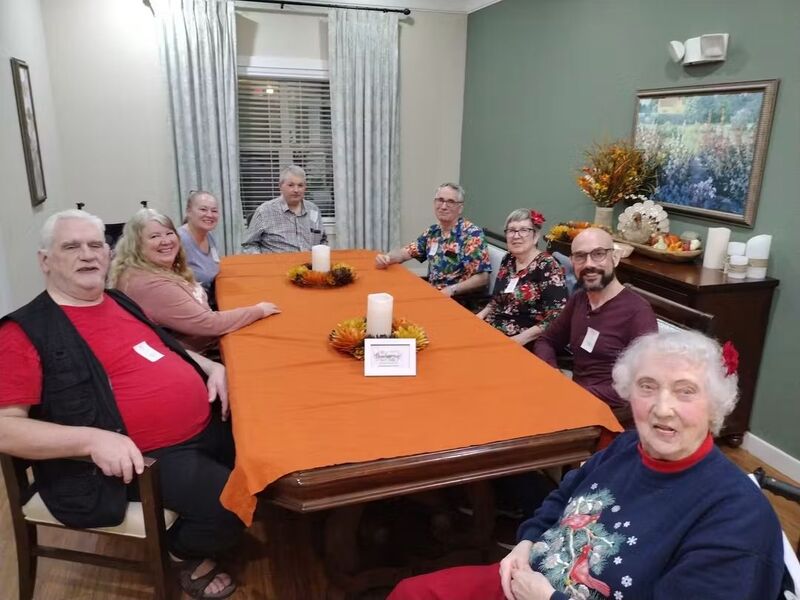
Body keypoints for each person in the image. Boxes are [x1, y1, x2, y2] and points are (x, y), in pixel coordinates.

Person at [388, 330, 785, 600]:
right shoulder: (626, 447)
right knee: (412, 593)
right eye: (648, 387)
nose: (663, 408)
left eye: (685, 392)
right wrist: (526, 542)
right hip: (523, 579)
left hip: (541, 593)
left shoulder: (736, 518)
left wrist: (548, 598)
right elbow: (562, 497)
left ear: (715, 406)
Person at [0, 209, 244, 599]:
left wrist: (210, 367)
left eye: (95, 245)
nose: (87, 254)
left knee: (263, 453)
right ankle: (179, 553)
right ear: (45, 261)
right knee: (232, 503)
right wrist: (92, 440)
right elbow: (5, 428)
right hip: (141, 459)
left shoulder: (115, 299)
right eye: (71, 247)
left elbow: (164, 347)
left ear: (108, 253)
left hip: (202, 424)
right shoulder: (24, 331)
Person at [109, 208, 279, 354]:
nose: (166, 241)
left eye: (169, 233)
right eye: (154, 236)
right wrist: (258, 310)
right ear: (136, 244)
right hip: (193, 357)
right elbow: (210, 324)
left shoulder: (154, 267)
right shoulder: (150, 283)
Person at [534, 227, 657, 424]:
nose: (589, 264)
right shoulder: (579, 299)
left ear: (615, 258)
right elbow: (546, 341)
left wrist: (576, 393)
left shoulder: (638, 312)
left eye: (598, 254)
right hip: (573, 401)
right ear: (572, 262)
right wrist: (554, 373)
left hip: (610, 415)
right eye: (580, 256)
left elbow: (644, 384)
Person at [375, 183, 491, 302]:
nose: (444, 206)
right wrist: (387, 258)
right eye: (440, 200)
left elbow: (482, 278)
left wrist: (451, 290)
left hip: (459, 301)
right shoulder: (433, 231)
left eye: (450, 202)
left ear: (460, 208)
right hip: (434, 295)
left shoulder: (472, 235)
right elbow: (405, 252)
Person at [477, 209, 568, 347]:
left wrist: (519, 339)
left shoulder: (547, 265)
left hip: (525, 339)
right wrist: (479, 316)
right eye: (511, 230)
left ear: (535, 236)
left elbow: (557, 315)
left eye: (524, 230)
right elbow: (496, 300)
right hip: (493, 328)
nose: (516, 236)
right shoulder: (508, 259)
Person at [241, 164, 327, 253]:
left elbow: (323, 240)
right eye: (291, 185)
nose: (296, 190)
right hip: (276, 261)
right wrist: (262, 260)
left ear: (305, 187)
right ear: (280, 186)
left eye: (300, 185)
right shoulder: (264, 211)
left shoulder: (314, 210)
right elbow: (249, 245)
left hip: (309, 261)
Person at [178, 190, 221, 293]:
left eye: (214, 211)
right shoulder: (179, 240)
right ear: (188, 211)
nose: (210, 215)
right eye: (203, 209)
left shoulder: (208, 235)